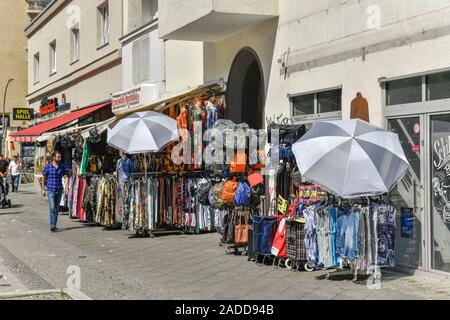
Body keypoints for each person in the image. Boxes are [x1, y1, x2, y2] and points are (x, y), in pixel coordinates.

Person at [41, 151, 69, 232]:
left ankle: (54, 224)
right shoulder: (48, 167)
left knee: (56, 208)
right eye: (58, 157)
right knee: (52, 207)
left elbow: (66, 176)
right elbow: (43, 177)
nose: (59, 159)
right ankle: (52, 225)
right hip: (50, 190)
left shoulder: (62, 167)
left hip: (59, 189)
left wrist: (67, 188)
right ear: (54, 157)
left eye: (60, 157)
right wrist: (43, 189)